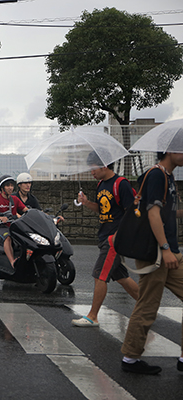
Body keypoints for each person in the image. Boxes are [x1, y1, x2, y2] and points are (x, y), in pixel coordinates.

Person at [120, 152, 183, 375]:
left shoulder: (168, 176)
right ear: (172, 151)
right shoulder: (157, 176)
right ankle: (130, 358)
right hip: (157, 253)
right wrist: (165, 249)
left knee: (147, 304)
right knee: (147, 306)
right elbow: (153, 215)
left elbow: (165, 213)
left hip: (170, 252)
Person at [72, 154, 139, 327]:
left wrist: (118, 236)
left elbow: (132, 213)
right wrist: (86, 202)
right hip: (105, 236)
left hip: (114, 240)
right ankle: (147, 306)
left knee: (99, 275)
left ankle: (92, 316)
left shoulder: (121, 184)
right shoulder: (101, 185)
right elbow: (102, 210)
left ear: (104, 166)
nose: (91, 172)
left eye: (93, 168)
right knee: (121, 277)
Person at [0, 175, 28, 267]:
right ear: (2, 188)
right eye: (7, 185)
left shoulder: (15, 199)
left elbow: (26, 210)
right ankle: (12, 262)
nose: (10, 188)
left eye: (12, 185)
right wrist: (0, 218)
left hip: (11, 226)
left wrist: (43, 215)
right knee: (8, 237)